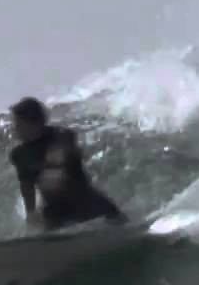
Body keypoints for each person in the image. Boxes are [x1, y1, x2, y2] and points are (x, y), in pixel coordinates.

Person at [8, 97, 128, 231]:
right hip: (55, 208)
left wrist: (53, 169)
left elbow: (60, 151)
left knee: (118, 220)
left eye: (17, 123)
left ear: (32, 123)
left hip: (83, 199)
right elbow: (26, 185)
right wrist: (30, 212)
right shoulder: (19, 155)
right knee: (47, 227)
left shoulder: (61, 135)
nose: (14, 128)